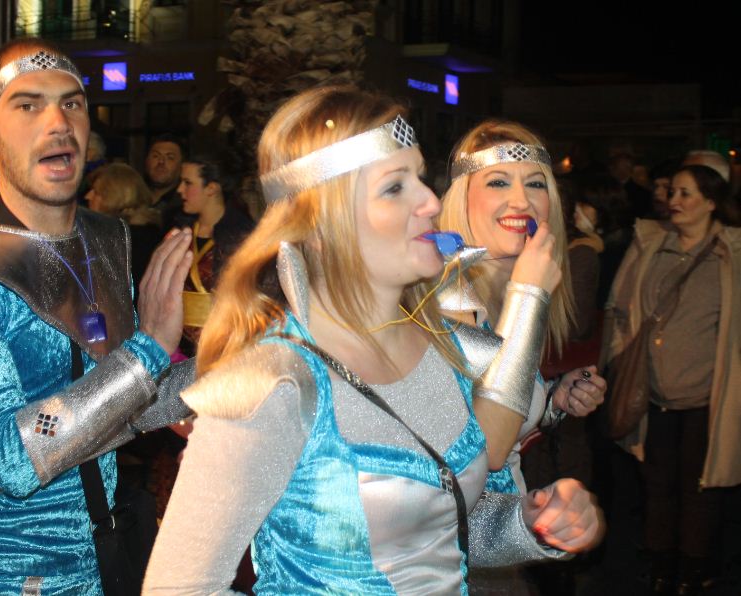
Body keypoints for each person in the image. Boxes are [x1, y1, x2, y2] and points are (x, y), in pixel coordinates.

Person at [144, 86, 602, 593]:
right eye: (394, 187)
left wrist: (530, 524)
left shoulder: (445, 346)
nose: (431, 201)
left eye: (420, 178)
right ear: (322, 220)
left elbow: (436, 526)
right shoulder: (275, 379)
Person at [0, 38, 194, 593]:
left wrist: (238, 356)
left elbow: (125, 407)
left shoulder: (102, 243)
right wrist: (148, 350)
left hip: (98, 561)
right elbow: (10, 456)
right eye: (28, 105)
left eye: (72, 103)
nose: (58, 122)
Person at [435, 121, 608, 488]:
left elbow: (499, 413)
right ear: (463, 198)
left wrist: (552, 403)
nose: (521, 201)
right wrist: (529, 296)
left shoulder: (510, 290)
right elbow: (485, 453)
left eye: (535, 184)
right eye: (498, 182)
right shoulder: (446, 298)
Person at [601, 164, 741, 594]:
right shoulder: (651, 244)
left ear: (711, 202)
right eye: (672, 192)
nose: (673, 201)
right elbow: (619, 308)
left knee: (700, 484)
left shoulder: (731, 253)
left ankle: (695, 567)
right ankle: (660, 561)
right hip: (652, 391)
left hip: (709, 395)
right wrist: (619, 359)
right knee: (656, 482)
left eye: (686, 194)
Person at [176, 153, 254, 355]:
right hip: (178, 345)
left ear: (211, 188)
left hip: (224, 345)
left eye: (187, 183)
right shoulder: (180, 229)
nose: (180, 189)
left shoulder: (241, 235)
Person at [85, 162, 161, 282]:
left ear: (113, 198)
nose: (88, 196)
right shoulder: (146, 234)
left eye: (96, 192)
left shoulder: (125, 242)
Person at [144, 133, 188, 230]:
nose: (161, 162)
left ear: (182, 166)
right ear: (146, 161)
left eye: (170, 158)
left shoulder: (185, 205)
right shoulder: (133, 199)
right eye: (155, 156)